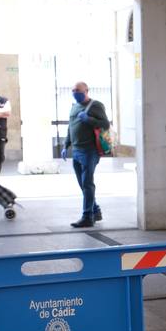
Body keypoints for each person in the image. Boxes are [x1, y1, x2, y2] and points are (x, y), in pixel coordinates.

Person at [62, 81, 110, 228]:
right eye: (73, 90)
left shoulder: (96, 105)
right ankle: (95, 210)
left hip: (90, 150)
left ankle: (87, 216)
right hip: (76, 150)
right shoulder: (74, 107)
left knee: (87, 183)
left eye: (78, 90)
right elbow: (71, 127)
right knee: (83, 184)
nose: (75, 92)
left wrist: (88, 119)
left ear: (86, 91)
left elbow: (105, 124)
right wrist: (66, 145)